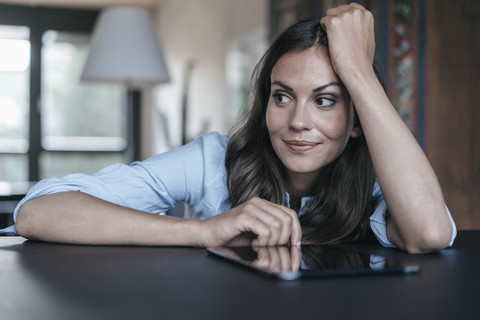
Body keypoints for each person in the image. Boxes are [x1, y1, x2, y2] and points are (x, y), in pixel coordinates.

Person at [5, 3, 456, 253]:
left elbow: (429, 234)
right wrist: (204, 231)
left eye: (326, 100)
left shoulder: (383, 179)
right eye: (282, 96)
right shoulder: (213, 160)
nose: (298, 121)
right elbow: (37, 212)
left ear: (356, 119)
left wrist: (359, 73)